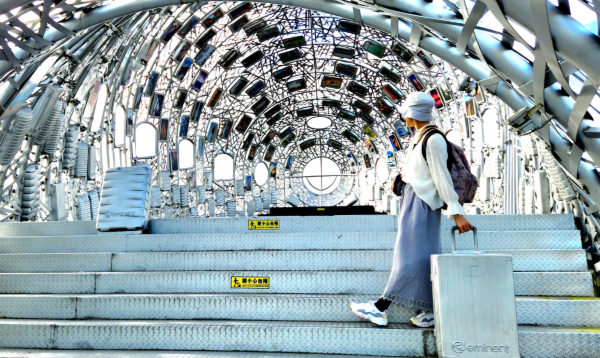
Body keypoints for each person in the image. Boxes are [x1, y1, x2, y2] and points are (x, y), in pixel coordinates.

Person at [350, 92, 473, 328]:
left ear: (414, 113)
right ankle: (426, 311)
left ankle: (380, 308)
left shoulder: (433, 140)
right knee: (421, 257)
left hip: (422, 203)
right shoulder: (422, 137)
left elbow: (442, 178)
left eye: (406, 112)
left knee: (407, 257)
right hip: (414, 200)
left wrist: (456, 212)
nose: (404, 116)